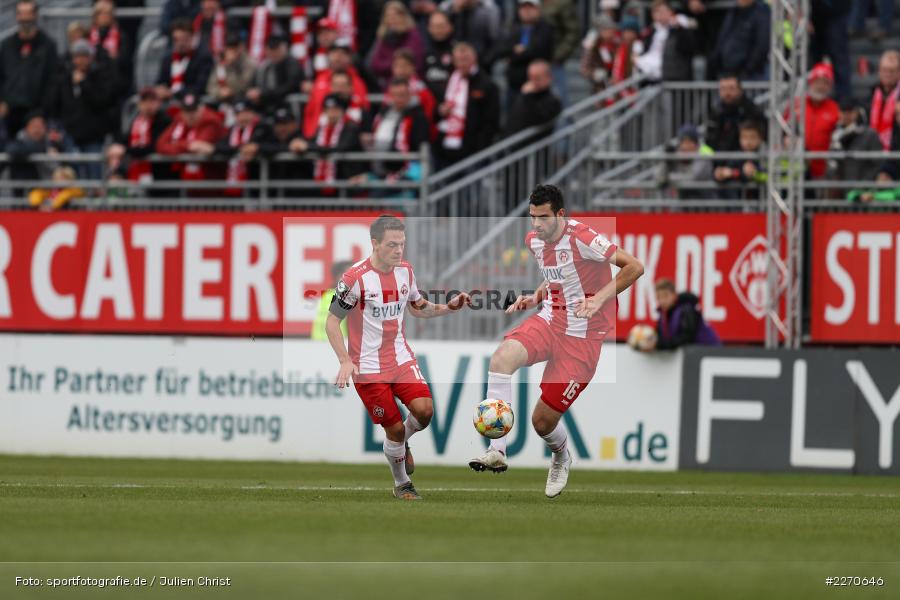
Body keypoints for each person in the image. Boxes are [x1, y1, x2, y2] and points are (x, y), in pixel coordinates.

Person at [468, 184, 644, 497]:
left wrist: (599, 299)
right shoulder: (534, 240)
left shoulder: (584, 237)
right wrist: (535, 296)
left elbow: (635, 266)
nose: (536, 224)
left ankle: (561, 455)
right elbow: (557, 273)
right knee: (502, 358)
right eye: (532, 217)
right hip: (550, 320)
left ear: (560, 214)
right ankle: (497, 449)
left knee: (543, 421)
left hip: (583, 335)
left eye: (544, 217)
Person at [326, 215, 472, 500]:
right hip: (367, 366)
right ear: (375, 244)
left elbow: (417, 307)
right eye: (392, 245)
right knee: (393, 427)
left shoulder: (405, 271)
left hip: (400, 358)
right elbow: (332, 321)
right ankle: (402, 483)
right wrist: (344, 360)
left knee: (425, 411)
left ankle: (401, 444)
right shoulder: (354, 278)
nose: (398, 250)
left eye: (402, 244)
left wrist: (448, 308)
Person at [54, 39, 117, 180]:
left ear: (90, 57)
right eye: (77, 56)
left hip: (93, 136)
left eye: (84, 56)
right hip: (70, 135)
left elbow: (102, 101)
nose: (80, 60)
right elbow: (57, 104)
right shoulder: (65, 78)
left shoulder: (101, 75)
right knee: (71, 177)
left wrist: (83, 83)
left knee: (94, 177)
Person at [0, 0, 60, 136]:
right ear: (16, 16)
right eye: (21, 14)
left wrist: (42, 112)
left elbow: (52, 81)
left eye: (28, 13)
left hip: (37, 113)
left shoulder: (48, 45)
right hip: (10, 112)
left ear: (36, 15)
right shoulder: (6, 45)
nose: (25, 18)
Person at [435, 42, 500, 167]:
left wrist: (480, 146)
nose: (462, 63)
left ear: (474, 59)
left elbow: (491, 121)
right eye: (458, 60)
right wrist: (441, 111)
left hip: (472, 149)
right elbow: (436, 109)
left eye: (465, 59)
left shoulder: (487, 85)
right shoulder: (447, 81)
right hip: (445, 146)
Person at [155, 93, 226, 192]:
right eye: (187, 111)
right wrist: (187, 145)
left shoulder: (211, 121)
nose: (190, 115)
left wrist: (176, 145)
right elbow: (161, 145)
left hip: (210, 183)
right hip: (187, 181)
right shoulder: (179, 119)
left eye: (194, 110)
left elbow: (199, 145)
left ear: (201, 109)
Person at [303, 43, 371, 138]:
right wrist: (309, 134)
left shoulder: (357, 82)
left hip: (345, 136)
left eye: (343, 53)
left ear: (349, 58)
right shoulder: (320, 79)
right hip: (318, 135)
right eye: (334, 53)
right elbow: (311, 110)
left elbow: (362, 110)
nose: (338, 57)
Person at [107, 87, 172, 187]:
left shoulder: (164, 121)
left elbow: (155, 146)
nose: (148, 105)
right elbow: (126, 140)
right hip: (136, 171)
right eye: (145, 101)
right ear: (139, 104)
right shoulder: (137, 120)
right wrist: (117, 147)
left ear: (158, 103)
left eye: (152, 101)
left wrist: (125, 150)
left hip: (159, 175)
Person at [497, 0, 555, 108]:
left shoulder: (545, 28)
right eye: (523, 8)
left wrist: (514, 54)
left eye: (530, 8)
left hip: (536, 87)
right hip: (513, 84)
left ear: (538, 10)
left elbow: (537, 50)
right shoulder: (513, 28)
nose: (527, 11)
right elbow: (502, 49)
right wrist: (516, 51)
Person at [829, 98, 883, 201]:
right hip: (841, 193)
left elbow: (877, 163)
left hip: (863, 194)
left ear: (857, 113)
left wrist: (864, 185)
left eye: (849, 111)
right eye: (843, 111)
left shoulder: (869, 134)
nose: (846, 115)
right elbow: (833, 164)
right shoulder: (835, 135)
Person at [648, 278, 721, 350]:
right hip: (695, 354)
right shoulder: (663, 315)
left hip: (709, 351)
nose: (662, 300)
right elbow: (660, 337)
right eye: (658, 297)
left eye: (665, 296)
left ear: (674, 295)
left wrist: (658, 345)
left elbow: (686, 338)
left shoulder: (687, 309)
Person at [368, 1, 427, 89]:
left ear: (404, 16)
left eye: (396, 15)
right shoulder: (383, 36)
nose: (392, 18)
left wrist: (397, 65)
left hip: (411, 84)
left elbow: (414, 61)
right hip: (389, 85)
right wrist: (395, 64)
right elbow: (375, 64)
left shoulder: (413, 35)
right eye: (389, 16)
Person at [634, 0, 697, 83]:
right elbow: (642, 48)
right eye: (656, 12)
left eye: (662, 11)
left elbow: (689, 48)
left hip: (675, 79)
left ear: (671, 12)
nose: (660, 15)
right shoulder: (650, 31)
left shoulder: (680, 28)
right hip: (651, 76)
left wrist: (679, 28)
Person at [796, 63, 840, 180]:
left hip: (823, 170)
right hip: (796, 168)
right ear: (811, 83)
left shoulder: (835, 109)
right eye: (817, 82)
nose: (820, 86)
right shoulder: (796, 105)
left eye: (825, 83)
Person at [710, 0, 770, 81]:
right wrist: (716, 61)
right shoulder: (733, 11)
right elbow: (723, 38)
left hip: (750, 75)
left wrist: (747, 69)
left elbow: (762, 45)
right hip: (726, 72)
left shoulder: (761, 12)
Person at [705, 74, 765, 154]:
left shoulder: (751, 111)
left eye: (731, 88)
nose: (727, 93)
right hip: (720, 161)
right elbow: (709, 141)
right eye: (723, 89)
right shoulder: (715, 112)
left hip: (747, 160)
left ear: (740, 90)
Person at [156, 18, 214, 100]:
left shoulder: (203, 57)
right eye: (176, 40)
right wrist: (160, 89)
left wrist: (173, 93)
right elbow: (160, 81)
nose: (180, 43)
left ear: (192, 37)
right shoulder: (168, 57)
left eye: (184, 39)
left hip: (193, 104)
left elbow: (201, 87)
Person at [503, 60, 561, 140]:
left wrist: (528, 97)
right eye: (530, 77)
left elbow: (538, 119)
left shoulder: (552, 101)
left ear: (548, 78)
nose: (532, 82)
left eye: (537, 78)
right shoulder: (523, 95)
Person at [247, 34, 305, 114]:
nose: (274, 54)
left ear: (284, 48)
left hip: (288, 108)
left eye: (277, 50)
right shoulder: (264, 66)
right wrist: (253, 92)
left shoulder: (292, 64)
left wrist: (264, 93)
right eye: (271, 50)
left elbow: (290, 86)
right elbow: (253, 84)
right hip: (265, 107)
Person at [657, 123, 714, 200]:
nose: (685, 146)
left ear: (696, 144)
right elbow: (659, 177)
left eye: (688, 142)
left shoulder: (703, 155)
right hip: (683, 204)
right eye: (682, 142)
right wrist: (667, 161)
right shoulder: (678, 155)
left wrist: (669, 178)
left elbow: (693, 177)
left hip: (704, 203)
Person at [439, 0, 500, 67]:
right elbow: (442, 32)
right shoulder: (447, 7)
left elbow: (494, 38)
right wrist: (455, 13)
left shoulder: (488, 8)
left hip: (481, 60)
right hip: (453, 58)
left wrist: (484, 61)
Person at [541, 0, 579, 107]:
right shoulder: (538, 3)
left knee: (559, 97)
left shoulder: (564, 4)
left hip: (553, 59)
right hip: (535, 58)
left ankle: (565, 123)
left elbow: (573, 32)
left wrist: (559, 55)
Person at [206, 32, 256, 105]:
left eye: (235, 48)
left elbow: (243, 86)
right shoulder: (222, 62)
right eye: (230, 48)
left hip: (242, 101)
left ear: (241, 47)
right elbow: (210, 86)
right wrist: (218, 92)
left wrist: (232, 65)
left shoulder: (249, 64)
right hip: (221, 101)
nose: (232, 51)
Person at [312, 260, 351, 341]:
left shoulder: (327, 295)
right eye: (351, 275)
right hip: (339, 345)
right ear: (339, 276)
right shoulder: (348, 296)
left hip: (317, 344)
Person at [869, 50, 900, 150]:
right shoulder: (872, 93)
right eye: (884, 70)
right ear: (879, 71)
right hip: (873, 152)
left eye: (891, 71)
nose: (887, 74)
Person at [580, 15, 619, 94]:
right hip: (600, 89)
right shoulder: (593, 47)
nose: (612, 32)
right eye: (608, 29)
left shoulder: (616, 44)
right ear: (601, 31)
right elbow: (584, 69)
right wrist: (595, 74)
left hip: (617, 87)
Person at [423, 10, 455, 100]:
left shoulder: (457, 52)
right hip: (430, 105)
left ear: (450, 27)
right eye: (435, 26)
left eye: (441, 26)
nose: (438, 30)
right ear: (429, 28)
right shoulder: (424, 52)